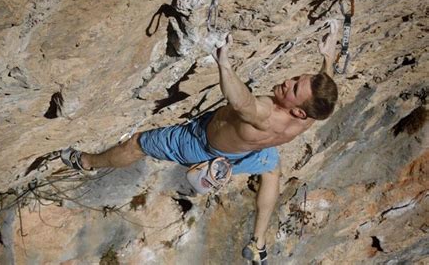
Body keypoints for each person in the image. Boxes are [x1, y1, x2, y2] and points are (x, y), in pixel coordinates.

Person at [61, 21, 339, 264]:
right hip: (250, 152)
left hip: (200, 144)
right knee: (272, 170)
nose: (287, 82)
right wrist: (328, 57)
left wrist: (224, 62)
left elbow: (241, 102)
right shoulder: (309, 117)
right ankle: (258, 242)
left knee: (137, 144)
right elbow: (324, 91)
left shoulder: (266, 114)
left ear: (299, 110)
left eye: (293, 88)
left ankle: (86, 162)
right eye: (295, 79)